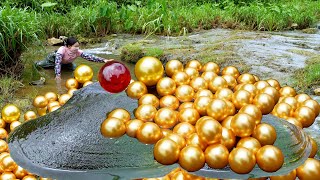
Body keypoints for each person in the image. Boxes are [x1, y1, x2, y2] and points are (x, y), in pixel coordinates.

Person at [35, 37, 113, 81]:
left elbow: (90, 57)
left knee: (74, 69)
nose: (77, 48)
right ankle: (35, 64)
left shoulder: (78, 52)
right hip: (52, 60)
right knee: (39, 65)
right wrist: (58, 75)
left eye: (78, 46)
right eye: (75, 46)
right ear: (69, 46)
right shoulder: (61, 50)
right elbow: (57, 63)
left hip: (67, 62)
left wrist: (104, 60)